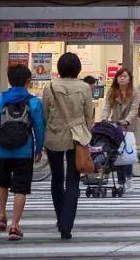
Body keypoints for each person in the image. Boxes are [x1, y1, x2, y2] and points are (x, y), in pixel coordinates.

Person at [0, 64, 45, 241]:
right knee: (21, 188)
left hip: (1, 150)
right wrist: (39, 148)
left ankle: (0, 216)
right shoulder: (34, 102)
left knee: (2, 182)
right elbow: (39, 127)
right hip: (24, 151)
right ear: (28, 81)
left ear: (9, 80)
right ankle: (14, 226)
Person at [41, 52, 93, 240]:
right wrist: (86, 132)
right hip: (77, 137)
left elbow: (44, 113)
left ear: (59, 69)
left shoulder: (51, 87)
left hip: (54, 135)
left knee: (56, 179)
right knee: (73, 180)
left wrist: (50, 128)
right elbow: (89, 114)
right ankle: (66, 224)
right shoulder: (85, 87)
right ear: (78, 68)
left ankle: (59, 216)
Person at [101, 67, 138, 192]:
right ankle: (120, 181)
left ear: (129, 79)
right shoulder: (112, 91)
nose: (122, 78)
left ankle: (129, 178)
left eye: (125, 76)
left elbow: (134, 109)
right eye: (120, 76)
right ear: (116, 78)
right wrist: (104, 118)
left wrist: (127, 120)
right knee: (118, 154)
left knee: (127, 153)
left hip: (128, 127)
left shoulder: (134, 92)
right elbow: (107, 106)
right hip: (115, 126)